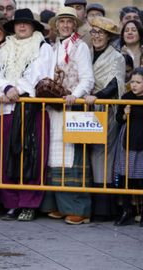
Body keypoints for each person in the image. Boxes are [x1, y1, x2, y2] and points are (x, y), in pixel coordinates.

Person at [0, 8, 53, 221]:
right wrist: (6, 88)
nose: (22, 26)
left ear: (33, 26)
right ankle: (11, 203)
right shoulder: (4, 48)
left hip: (31, 108)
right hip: (5, 109)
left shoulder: (43, 47)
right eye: (17, 23)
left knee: (32, 156)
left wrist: (19, 89)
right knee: (4, 157)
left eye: (26, 23)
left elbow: (40, 72)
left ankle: (29, 203)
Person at [40, 7, 95, 225]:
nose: (64, 25)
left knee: (72, 157)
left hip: (73, 108)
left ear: (74, 25)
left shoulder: (80, 47)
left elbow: (87, 79)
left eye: (68, 22)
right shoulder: (55, 47)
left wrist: (76, 95)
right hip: (56, 108)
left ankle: (78, 208)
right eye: (61, 22)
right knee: (56, 155)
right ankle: (61, 206)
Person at [84, 17, 126, 221]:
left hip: (106, 111)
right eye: (94, 32)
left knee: (104, 155)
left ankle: (104, 208)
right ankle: (90, 205)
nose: (97, 36)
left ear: (108, 36)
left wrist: (97, 96)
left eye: (101, 33)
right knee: (89, 154)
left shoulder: (116, 57)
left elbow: (114, 84)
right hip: (87, 109)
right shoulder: (87, 52)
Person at [114, 67, 143, 227]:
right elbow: (118, 119)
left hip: (141, 141)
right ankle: (126, 210)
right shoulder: (126, 97)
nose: (134, 85)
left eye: (138, 82)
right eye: (132, 81)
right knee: (126, 177)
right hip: (128, 140)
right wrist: (125, 114)